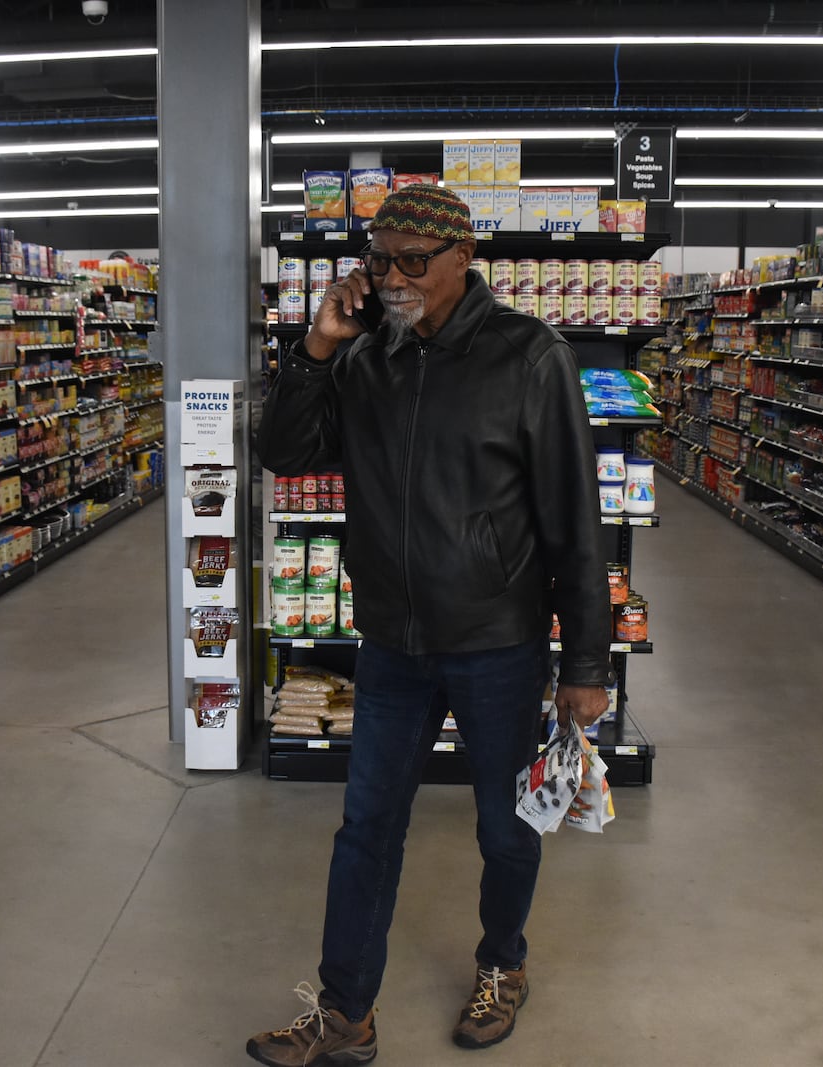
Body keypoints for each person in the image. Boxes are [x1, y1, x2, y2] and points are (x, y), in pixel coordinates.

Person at [247, 183, 615, 1065]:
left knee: (504, 824)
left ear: (464, 260)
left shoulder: (530, 357)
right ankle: (344, 1013)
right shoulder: (366, 358)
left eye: (415, 259)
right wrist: (316, 348)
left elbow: (574, 518)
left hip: (497, 640)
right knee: (366, 824)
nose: (395, 276)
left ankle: (503, 963)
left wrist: (587, 663)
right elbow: (283, 450)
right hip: (392, 641)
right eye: (380, 259)